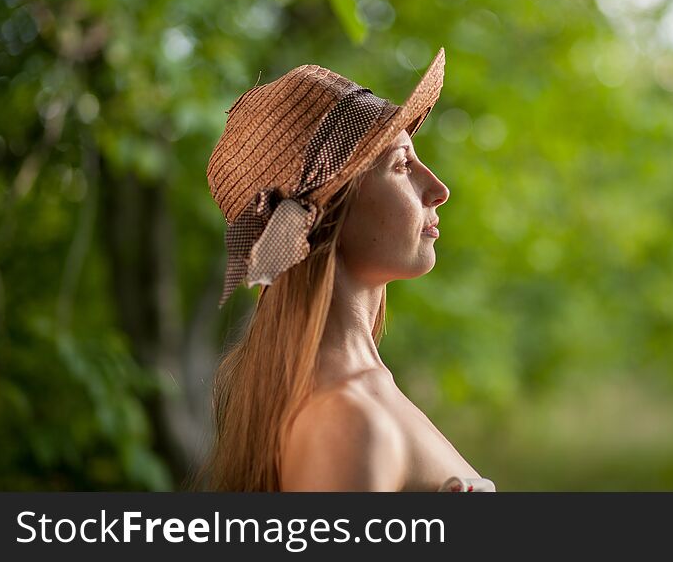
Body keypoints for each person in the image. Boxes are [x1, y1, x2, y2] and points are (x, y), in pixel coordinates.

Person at [196, 48, 496, 492]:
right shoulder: (347, 422)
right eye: (400, 165)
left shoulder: (363, 395)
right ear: (331, 210)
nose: (437, 189)